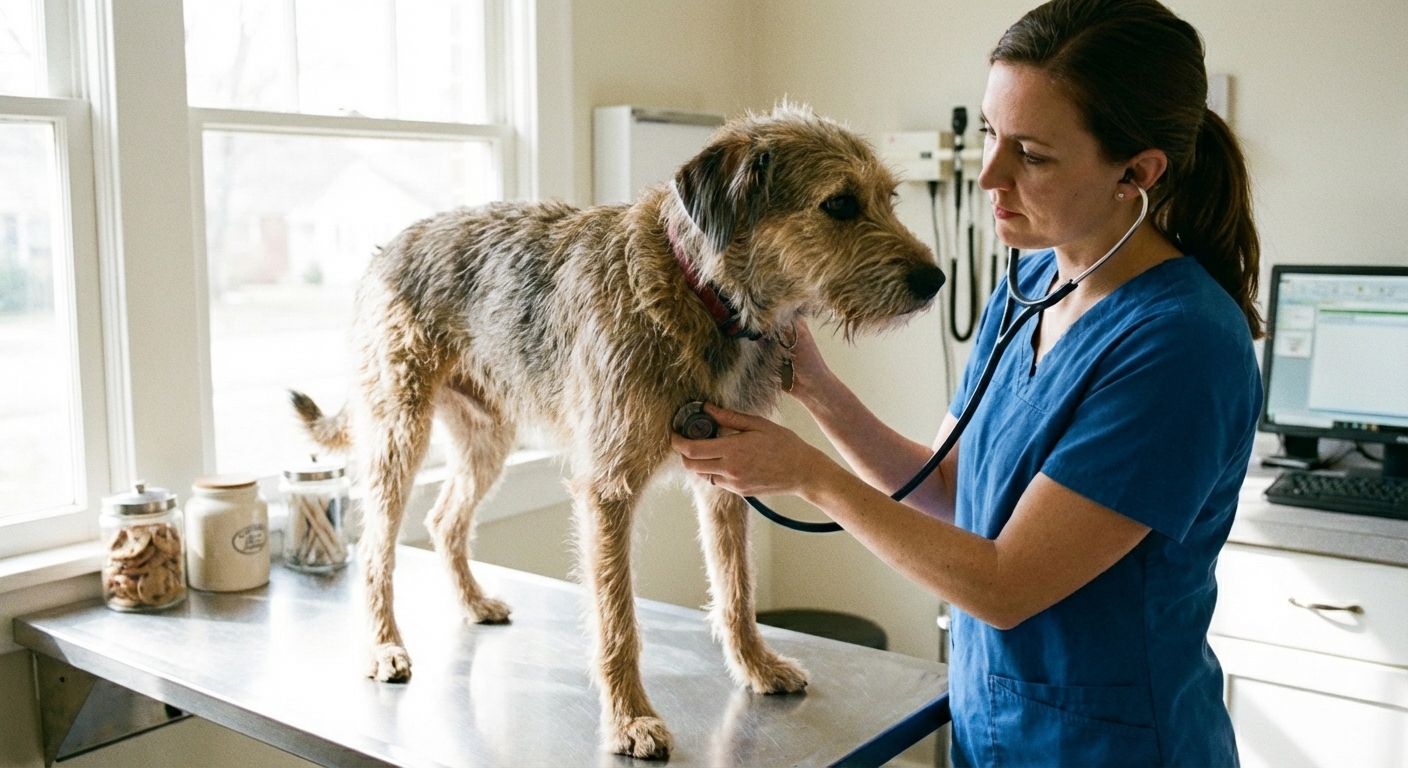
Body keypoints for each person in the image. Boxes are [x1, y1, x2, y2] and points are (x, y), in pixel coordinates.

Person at [671, 0, 1263, 765]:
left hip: (1108, 746)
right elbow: (949, 486)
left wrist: (807, 474)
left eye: (1033, 155)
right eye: (989, 133)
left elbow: (1005, 584)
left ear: (1136, 172)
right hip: (995, 730)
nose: (991, 176)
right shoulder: (1030, 286)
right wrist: (815, 386)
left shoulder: (1180, 345)